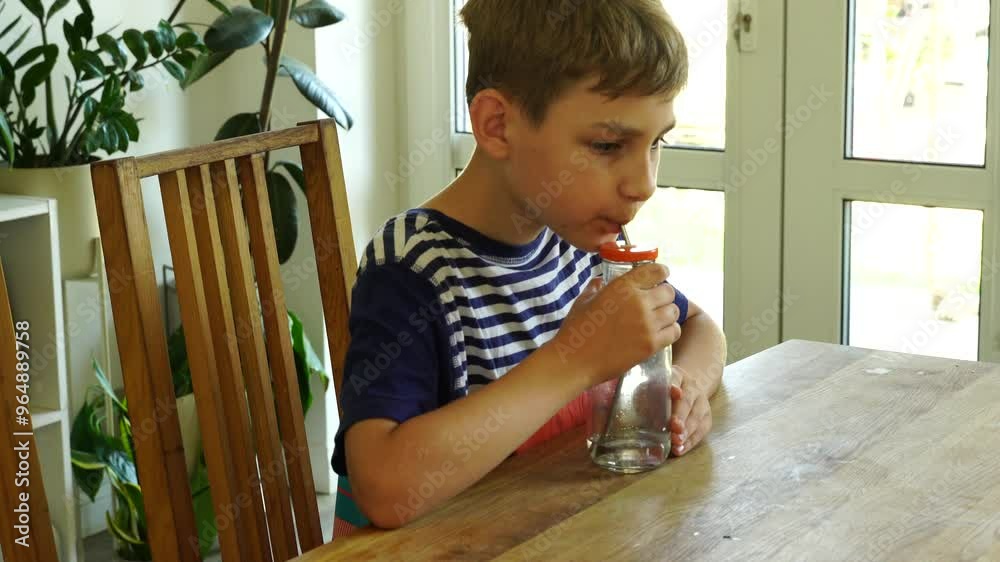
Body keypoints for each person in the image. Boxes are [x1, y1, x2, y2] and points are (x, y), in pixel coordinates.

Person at [331, 0, 727, 536]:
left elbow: (701, 328)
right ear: (498, 125)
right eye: (608, 145)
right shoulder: (413, 269)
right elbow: (386, 489)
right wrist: (574, 359)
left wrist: (689, 388)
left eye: (656, 143)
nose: (645, 182)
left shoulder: (580, 239)